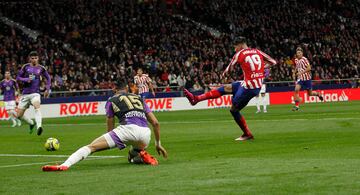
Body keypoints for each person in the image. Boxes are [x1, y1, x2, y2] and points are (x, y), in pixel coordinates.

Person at [42, 81, 167, 171]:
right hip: (145, 134)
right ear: (127, 89)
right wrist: (158, 144)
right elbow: (155, 123)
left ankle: (64, 165)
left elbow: (110, 121)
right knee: (132, 154)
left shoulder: (112, 100)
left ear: (114, 89)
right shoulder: (139, 98)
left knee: (91, 147)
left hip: (127, 129)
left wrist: (110, 138)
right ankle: (142, 155)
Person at [184, 37, 277, 141]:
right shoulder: (257, 51)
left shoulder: (239, 54)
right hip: (251, 85)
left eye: (235, 47)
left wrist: (223, 75)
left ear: (240, 45)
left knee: (233, 110)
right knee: (226, 88)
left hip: (249, 88)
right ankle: (196, 99)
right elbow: (273, 62)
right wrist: (261, 68)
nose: (234, 49)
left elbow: (228, 70)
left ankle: (247, 134)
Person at [16, 51, 51, 135]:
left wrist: (47, 89)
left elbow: (48, 78)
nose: (34, 59)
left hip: (35, 93)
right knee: (19, 116)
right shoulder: (25, 67)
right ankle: (31, 123)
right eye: (32, 58)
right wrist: (26, 79)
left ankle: (39, 126)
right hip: (25, 94)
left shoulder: (41, 68)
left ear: (38, 58)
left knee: (37, 106)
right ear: (29, 59)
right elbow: (18, 77)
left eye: (36, 58)